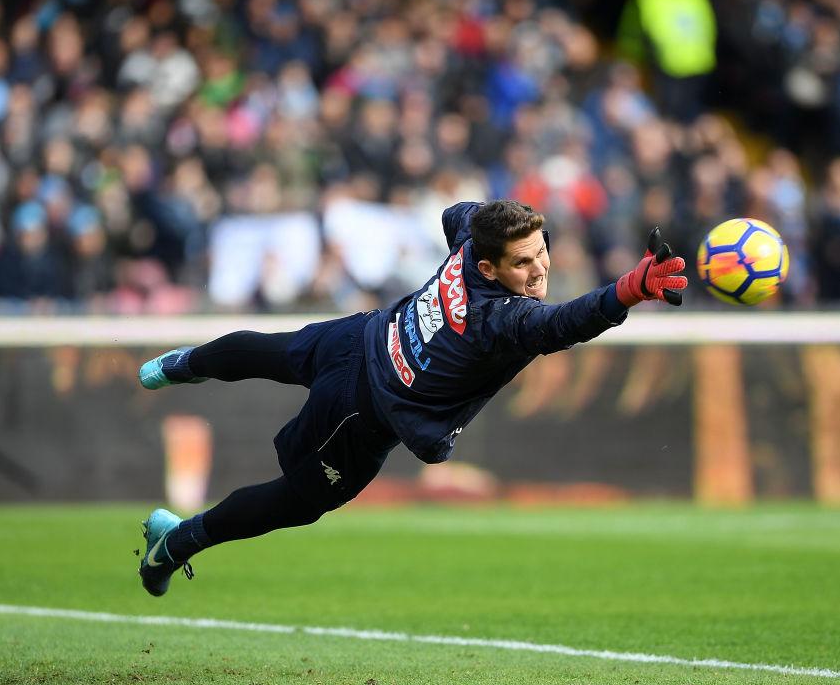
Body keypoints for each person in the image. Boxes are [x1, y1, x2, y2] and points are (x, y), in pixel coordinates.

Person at [137, 200, 687, 597]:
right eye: (523, 263)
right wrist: (630, 289)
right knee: (297, 501)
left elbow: (456, 213)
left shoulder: (470, 242)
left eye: (542, 251)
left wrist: (491, 222)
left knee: (272, 352)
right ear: (489, 268)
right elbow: (567, 323)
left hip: (359, 336)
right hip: (363, 409)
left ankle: (178, 365)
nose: (540, 268)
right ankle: (176, 543)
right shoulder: (501, 319)